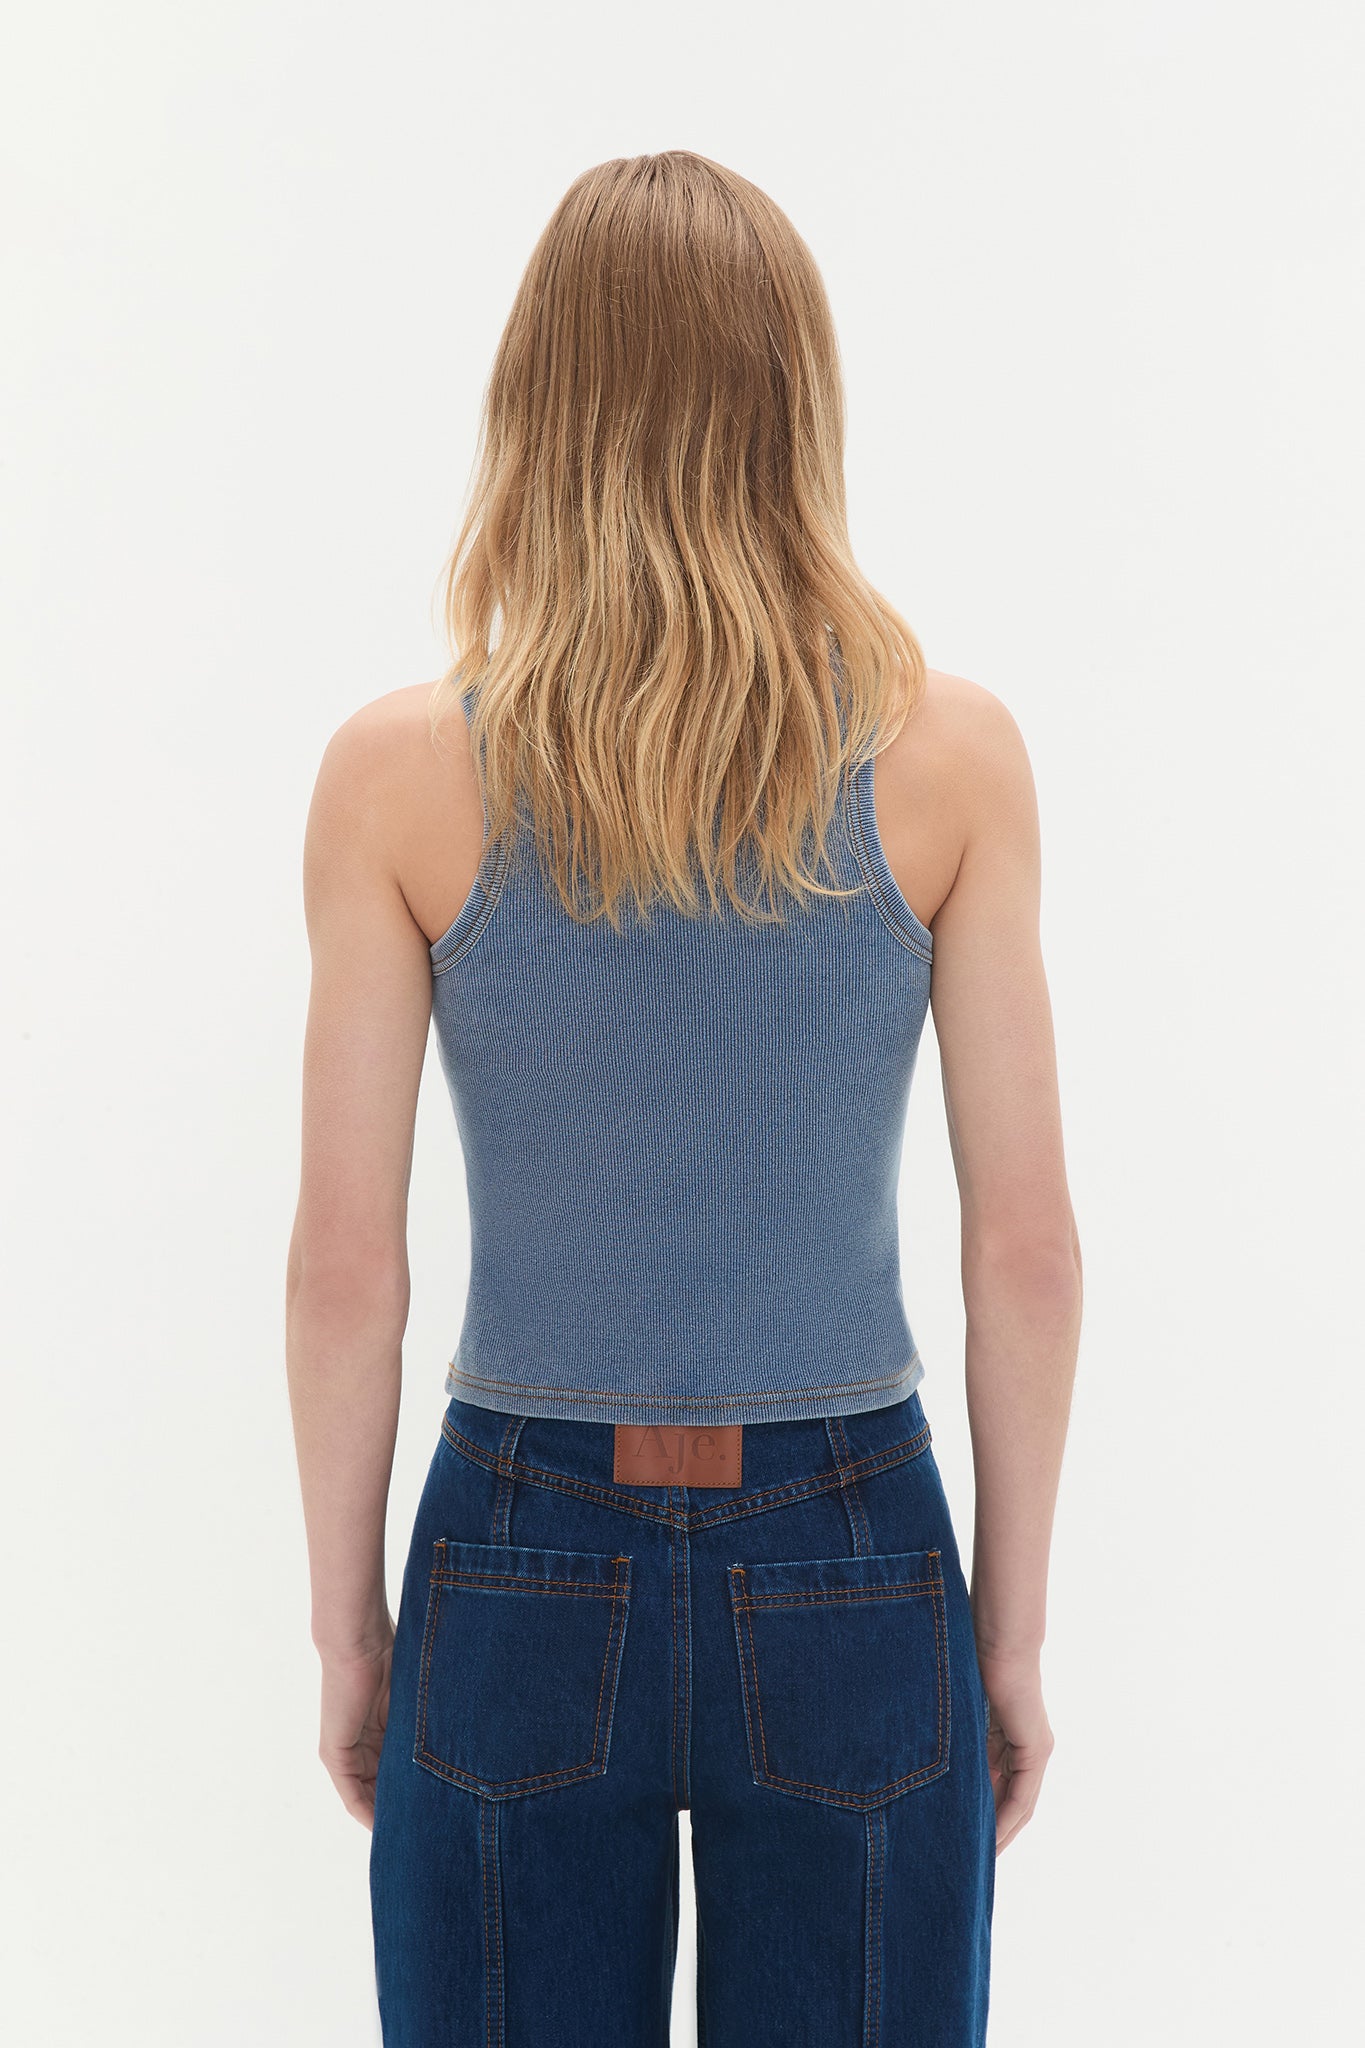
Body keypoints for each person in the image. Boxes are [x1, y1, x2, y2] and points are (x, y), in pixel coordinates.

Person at [286, 149, 1082, 2048]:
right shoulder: (948, 760)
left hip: (513, 1549)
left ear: (535, 408)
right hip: (852, 1544)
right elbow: (1026, 1251)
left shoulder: (397, 777)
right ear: (798, 405)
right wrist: (1008, 1633)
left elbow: (345, 1269)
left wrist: (350, 1633)